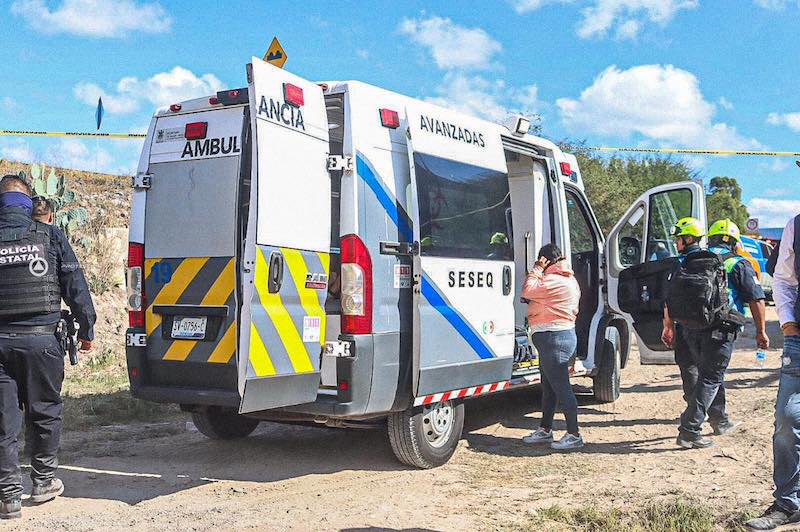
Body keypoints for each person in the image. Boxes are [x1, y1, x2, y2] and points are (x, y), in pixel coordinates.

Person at [0, 175, 96, 519]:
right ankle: (42, 482)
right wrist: (87, 328)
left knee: (3, 421)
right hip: (42, 340)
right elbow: (75, 285)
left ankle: (8, 497)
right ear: (28, 202)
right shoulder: (50, 235)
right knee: (44, 410)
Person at [662, 218, 767, 450]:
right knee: (711, 377)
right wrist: (761, 332)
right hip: (721, 329)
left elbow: (670, 296)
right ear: (734, 242)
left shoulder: (693, 260)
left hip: (690, 327)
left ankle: (719, 420)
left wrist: (668, 325)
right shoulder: (737, 263)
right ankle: (689, 430)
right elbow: (757, 299)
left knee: (709, 374)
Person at [746, 214, 800, 531]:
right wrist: (789, 321)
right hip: (799, 341)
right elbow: (784, 278)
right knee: (788, 418)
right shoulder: (797, 225)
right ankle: (789, 503)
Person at [520, 243, 583, 450]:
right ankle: (545, 430)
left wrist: (536, 269)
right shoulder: (567, 279)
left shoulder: (554, 280)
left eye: (541, 261)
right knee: (550, 388)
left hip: (554, 338)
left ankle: (574, 434)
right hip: (554, 338)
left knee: (562, 388)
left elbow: (528, 290)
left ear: (546, 260)